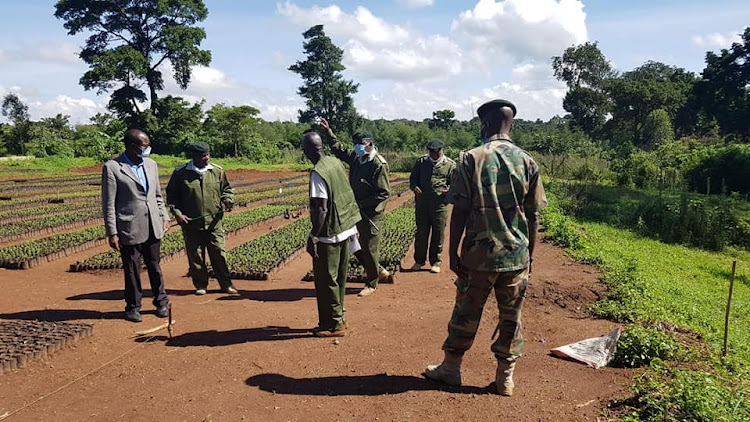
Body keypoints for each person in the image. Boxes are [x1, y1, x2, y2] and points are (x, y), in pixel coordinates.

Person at [424, 99, 547, 397]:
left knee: (466, 312)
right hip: (516, 255)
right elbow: (533, 214)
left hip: (479, 256)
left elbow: (461, 209)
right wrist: (529, 254)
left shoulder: (471, 158)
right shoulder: (528, 161)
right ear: (511, 125)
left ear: (486, 124)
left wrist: (453, 252)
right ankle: (505, 378)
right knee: (511, 316)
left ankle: (451, 369)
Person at [318, 118, 393, 297]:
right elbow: (338, 148)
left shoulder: (378, 164)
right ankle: (380, 270)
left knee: (369, 246)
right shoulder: (357, 158)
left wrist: (362, 204)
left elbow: (383, 193)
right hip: (355, 210)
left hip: (370, 213)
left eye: (361, 143)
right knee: (353, 244)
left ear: (370, 144)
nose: (357, 146)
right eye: (355, 143)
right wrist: (328, 132)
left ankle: (372, 283)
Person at [102, 129, 171, 323]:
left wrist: (164, 216)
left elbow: (157, 195)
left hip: (153, 224)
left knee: (155, 266)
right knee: (132, 269)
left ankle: (161, 301)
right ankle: (133, 307)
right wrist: (112, 232)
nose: (148, 148)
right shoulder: (113, 167)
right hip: (129, 226)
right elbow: (109, 203)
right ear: (132, 147)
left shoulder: (151, 165)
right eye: (144, 145)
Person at [302, 131, 362, 337]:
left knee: (327, 280)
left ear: (307, 151)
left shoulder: (318, 172)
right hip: (346, 226)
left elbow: (321, 208)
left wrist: (314, 236)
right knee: (339, 278)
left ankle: (333, 325)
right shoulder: (335, 162)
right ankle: (339, 318)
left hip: (331, 232)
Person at [166, 141, 237, 295]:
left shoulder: (217, 171)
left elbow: (226, 189)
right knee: (196, 256)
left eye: (207, 154)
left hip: (214, 223)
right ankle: (200, 285)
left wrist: (227, 200)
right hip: (191, 224)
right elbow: (172, 197)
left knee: (219, 253)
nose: (206, 158)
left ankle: (226, 284)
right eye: (203, 155)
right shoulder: (181, 173)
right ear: (194, 156)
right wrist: (178, 214)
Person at [409, 139, 456, 274]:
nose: (434, 155)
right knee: (421, 233)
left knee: (438, 233)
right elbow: (413, 179)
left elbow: (455, 184)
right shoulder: (421, 162)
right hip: (422, 204)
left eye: (437, 152)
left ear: (442, 151)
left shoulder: (450, 165)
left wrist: (449, 191)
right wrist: (414, 187)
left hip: (439, 205)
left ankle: (436, 262)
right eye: (432, 152)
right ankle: (419, 261)